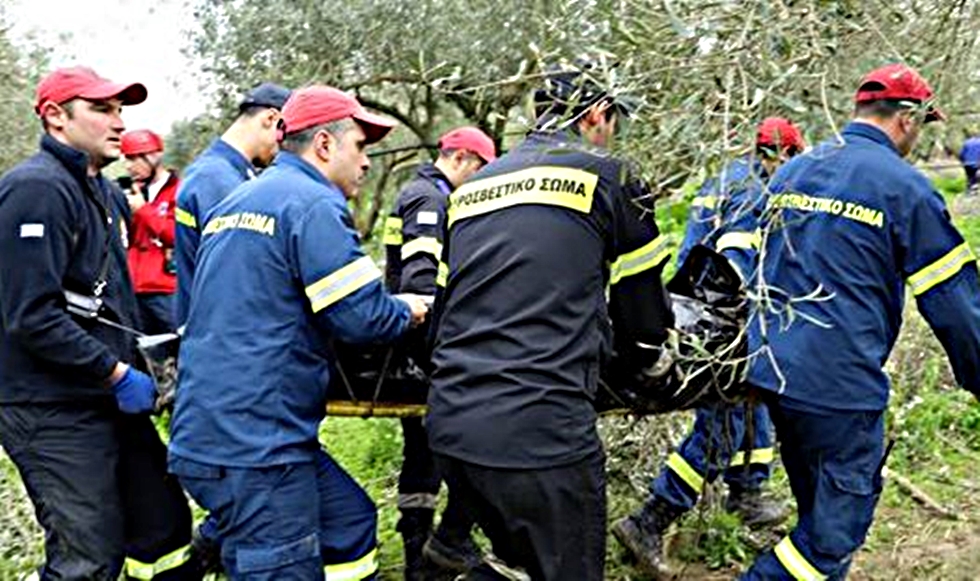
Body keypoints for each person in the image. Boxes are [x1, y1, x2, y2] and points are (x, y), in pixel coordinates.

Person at [167, 85, 430, 580]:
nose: (368, 161)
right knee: (281, 565)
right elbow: (361, 318)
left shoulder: (240, 198)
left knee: (349, 522)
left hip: (212, 428)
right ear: (325, 145)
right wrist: (409, 308)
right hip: (256, 445)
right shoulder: (312, 204)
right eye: (362, 145)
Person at [426, 60, 674, 580]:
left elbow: (441, 316)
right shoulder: (615, 176)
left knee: (517, 564)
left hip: (452, 430)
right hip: (542, 437)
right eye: (613, 122)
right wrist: (636, 369)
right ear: (596, 115)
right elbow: (644, 324)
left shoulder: (471, 188)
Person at [741, 64, 980, 580]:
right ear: (907, 119)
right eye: (923, 125)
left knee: (816, 513)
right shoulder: (904, 188)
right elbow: (956, 305)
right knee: (828, 541)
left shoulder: (791, 171)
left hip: (773, 375)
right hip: (839, 387)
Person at [0, 66, 203, 580]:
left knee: (163, 526)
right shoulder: (35, 192)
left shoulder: (106, 194)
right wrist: (115, 373)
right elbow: (31, 315)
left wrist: (149, 365)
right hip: (47, 405)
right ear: (55, 117)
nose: (119, 123)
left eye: (120, 109)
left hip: (101, 395)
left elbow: (113, 303)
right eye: (102, 109)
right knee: (87, 556)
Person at [613, 117, 805, 577]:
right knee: (723, 426)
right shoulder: (749, 191)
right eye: (792, 159)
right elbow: (735, 261)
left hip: (693, 310)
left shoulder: (729, 178)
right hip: (718, 324)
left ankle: (748, 493)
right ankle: (650, 520)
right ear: (779, 154)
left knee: (752, 408)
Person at [383, 126, 497, 579]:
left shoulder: (419, 190)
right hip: (424, 347)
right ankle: (443, 542)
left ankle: (419, 555)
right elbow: (421, 281)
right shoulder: (430, 198)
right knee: (465, 440)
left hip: (412, 348)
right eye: (483, 170)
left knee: (422, 453)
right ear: (465, 158)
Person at [173, 81, 290, 327]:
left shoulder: (225, 172)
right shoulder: (218, 180)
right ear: (271, 118)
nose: (283, 149)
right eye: (285, 138)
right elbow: (241, 274)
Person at [120, 129, 178, 352]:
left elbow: (175, 236)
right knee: (142, 353)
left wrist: (143, 210)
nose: (129, 166)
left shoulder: (178, 191)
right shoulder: (134, 193)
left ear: (154, 156)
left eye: (134, 158)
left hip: (166, 290)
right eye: (127, 159)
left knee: (176, 346)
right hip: (135, 288)